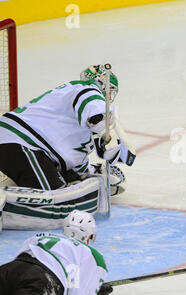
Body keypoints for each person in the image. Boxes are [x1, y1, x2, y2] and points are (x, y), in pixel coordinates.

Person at [0, 65, 135, 230]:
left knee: (71, 186)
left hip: (33, 149)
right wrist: (107, 134)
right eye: (110, 91)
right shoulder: (85, 89)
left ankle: (11, 187)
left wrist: (96, 174)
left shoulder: (82, 131)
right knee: (57, 203)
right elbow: (94, 109)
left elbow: (76, 168)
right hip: (20, 142)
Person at [0, 210, 113, 295]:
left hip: (11, 269)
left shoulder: (41, 236)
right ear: (89, 236)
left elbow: (21, 256)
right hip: (41, 280)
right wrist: (94, 293)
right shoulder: (91, 254)